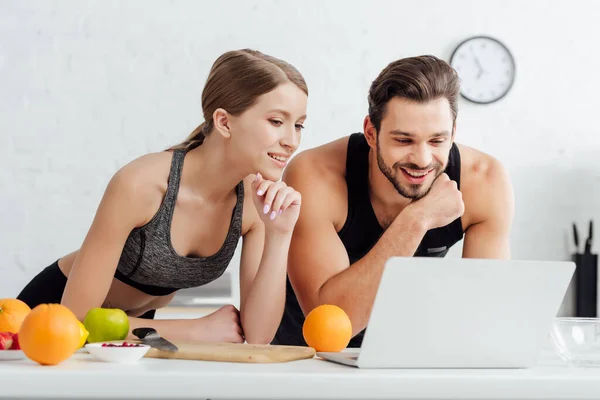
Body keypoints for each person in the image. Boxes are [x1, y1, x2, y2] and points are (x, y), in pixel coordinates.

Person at [17, 49, 308, 345]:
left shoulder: (254, 204)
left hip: (130, 339)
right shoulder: (142, 185)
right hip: (47, 323)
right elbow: (75, 320)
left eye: (298, 125)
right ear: (224, 122)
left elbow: (258, 337)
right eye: (276, 121)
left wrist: (279, 234)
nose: (292, 141)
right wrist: (193, 330)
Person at [273, 55, 514, 348]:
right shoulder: (316, 175)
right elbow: (331, 327)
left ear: (453, 133)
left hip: (409, 357)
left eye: (437, 141)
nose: (422, 159)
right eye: (404, 140)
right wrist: (417, 218)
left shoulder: (484, 180)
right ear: (371, 133)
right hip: (306, 360)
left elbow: (484, 317)